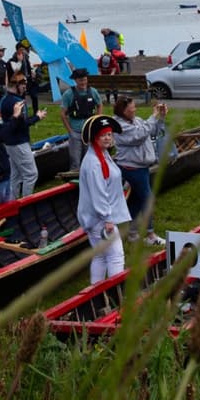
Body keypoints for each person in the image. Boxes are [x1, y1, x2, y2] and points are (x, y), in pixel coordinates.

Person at [76, 115, 131, 285]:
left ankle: (96, 294)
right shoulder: (94, 163)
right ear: (95, 138)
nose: (108, 138)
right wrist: (108, 218)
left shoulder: (102, 154)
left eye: (109, 134)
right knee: (115, 256)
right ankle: (117, 295)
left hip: (96, 217)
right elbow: (98, 193)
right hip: (100, 219)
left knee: (100, 256)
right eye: (103, 135)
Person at [110, 93, 170, 240]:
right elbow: (140, 135)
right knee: (147, 199)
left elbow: (153, 132)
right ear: (124, 111)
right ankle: (150, 235)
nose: (135, 110)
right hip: (132, 168)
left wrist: (161, 117)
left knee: (137, 199)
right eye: (132, 108)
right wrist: (153, 116)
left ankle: (132, 233)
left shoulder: (135, 120)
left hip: (140, 166)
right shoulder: (119, 126)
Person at [0, 72, 45, 201]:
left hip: (9, 142)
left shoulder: (4, 99)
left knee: (16, 175)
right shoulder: (17, 102)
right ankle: (26, 201)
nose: (25, 88)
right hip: (19, 142)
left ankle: (12, 201)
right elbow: (22, 124)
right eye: (24, 85)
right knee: (31, 174)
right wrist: (37, 117)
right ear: (17, 85)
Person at [61, 69, 102, 172]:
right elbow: (63, 113)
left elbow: (99, 105)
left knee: (90, 157)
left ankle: (90, 175)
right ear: (75, 80)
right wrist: (70, 130)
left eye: (84, 80)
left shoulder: (92, 91)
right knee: (75, 159)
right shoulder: (68, 94)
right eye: (80, 80)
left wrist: (96, 120)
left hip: (89, 130)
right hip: (76, 130)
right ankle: (74, 178)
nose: (83, 83)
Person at [9, 40, 40, 113]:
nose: (27, 50)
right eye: (26, 48)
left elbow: (27, 67)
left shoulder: (25, 56)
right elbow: (16, 68)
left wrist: (31, 72)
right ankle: (22, 112)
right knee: (22, 97)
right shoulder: (16, 56)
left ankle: (35, 112)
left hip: (28, 79)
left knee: (33, 96)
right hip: (22, 80)